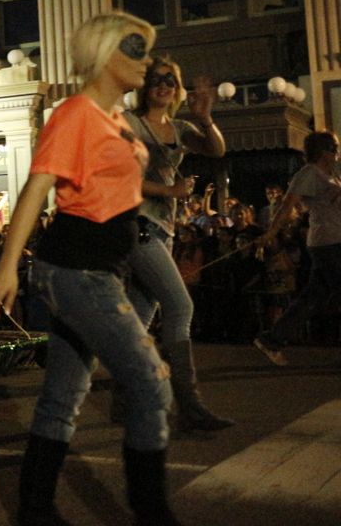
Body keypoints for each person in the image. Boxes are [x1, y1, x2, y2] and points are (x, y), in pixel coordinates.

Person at [0, 12, 180, 526]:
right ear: (105, 52)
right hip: (76, 270)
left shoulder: (117, 120)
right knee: (152, 381)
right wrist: (4, 271)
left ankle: (34, 510)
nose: (146, 61)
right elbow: (35, 190)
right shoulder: (75, 114)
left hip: (101, 268)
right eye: (134, 49)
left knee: (63, 395)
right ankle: (151, 513)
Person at [119, 58, 233, 431]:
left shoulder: (179, 127)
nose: (164, 85)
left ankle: (130, 398)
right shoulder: (132, 124)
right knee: (180, 306)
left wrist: (206, 117)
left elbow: (216, 150)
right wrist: (170, 190)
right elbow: (122, 178)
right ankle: (190, 405)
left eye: (170, 80)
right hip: (137, 225)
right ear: (145, 86)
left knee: (139, 318)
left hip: (162, 229)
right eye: (156, 80)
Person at [254, 131, 341, 366]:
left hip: (333, 240)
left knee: (312, 298)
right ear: (325, 151)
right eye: (335, 148)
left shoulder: (332, 174)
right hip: (328, 243)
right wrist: (271, 233)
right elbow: (287, 205)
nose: (338, 153)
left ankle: (272, 340)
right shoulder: (309, 173)